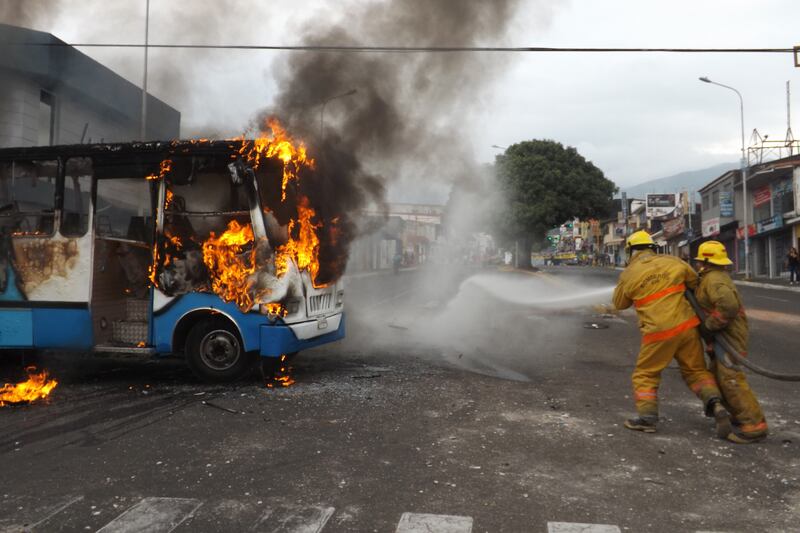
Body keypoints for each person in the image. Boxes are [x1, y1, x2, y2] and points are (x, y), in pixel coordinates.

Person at [613, 230, 729, 435]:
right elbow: (694, 283)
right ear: (652, 247)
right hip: (687, 326)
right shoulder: (674, 262)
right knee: (696, 371)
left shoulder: (629, 273)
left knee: (645, 374)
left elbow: (619, 304)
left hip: (658, 333)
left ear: (630, 251)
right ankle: (716, 404)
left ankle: (647, 418)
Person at [693, 240, 768, 444]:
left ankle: (754, 425)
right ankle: (738, 416)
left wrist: (709, 326)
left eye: (699, 262)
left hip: (729, 336)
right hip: (724, 335)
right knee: (719, 375)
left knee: (730, 379)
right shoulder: (711, 277)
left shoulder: (714, 280)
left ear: (705, 262)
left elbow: (728, 306)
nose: (697, 265)